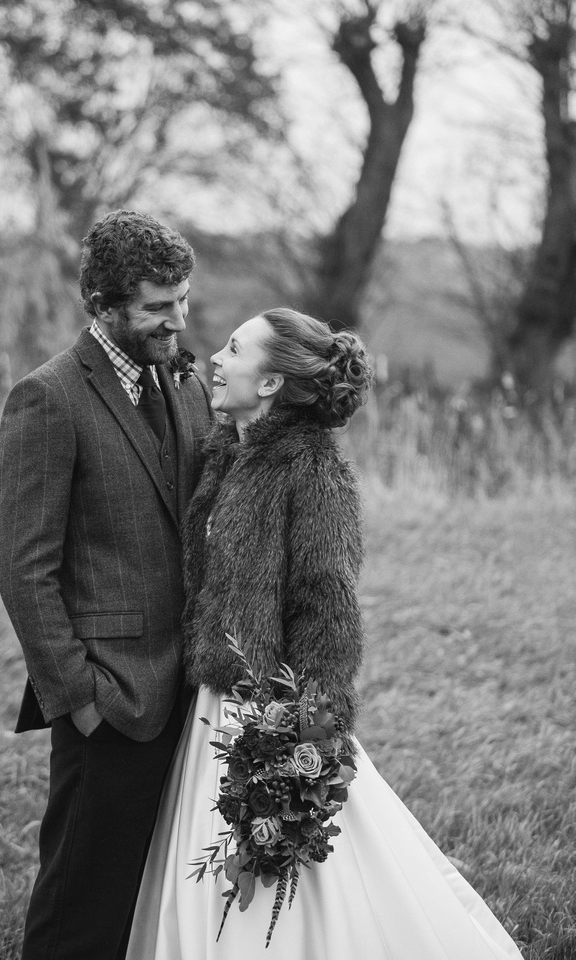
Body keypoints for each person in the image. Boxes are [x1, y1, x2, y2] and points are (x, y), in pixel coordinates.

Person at [126, 307, 524, 959]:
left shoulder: (312, 471)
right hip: (211, 701)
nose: (215, 360)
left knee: (284, 864)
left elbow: (327, 606)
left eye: (233, 350)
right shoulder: (229, 452)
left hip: (269, 711)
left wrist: (304, 733)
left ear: (270, 384)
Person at [0, 209, 214, 960]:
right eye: (158, 306)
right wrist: (79, 699)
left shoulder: (185, 383)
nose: (176, 320)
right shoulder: (47, 399)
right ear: (104, 304)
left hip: (191, 691)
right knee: (81, 907)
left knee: (154, 900)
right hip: (110, 698)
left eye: (181, 300)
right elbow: (26, 570)